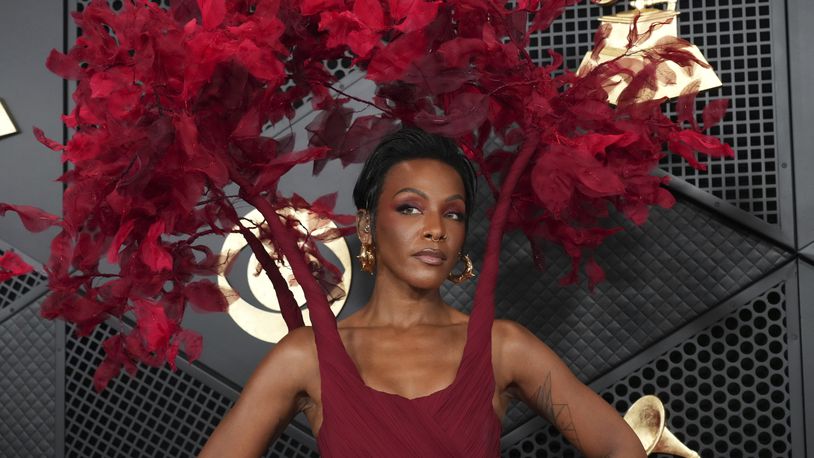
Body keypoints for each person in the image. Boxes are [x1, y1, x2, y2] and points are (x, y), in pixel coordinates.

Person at [199, 128, 646, 457]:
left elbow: (619, 448)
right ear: (369, 226)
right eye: (410, 208)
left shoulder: (502, 347)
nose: (434, 230)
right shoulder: (305, 357)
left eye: (452, 214)